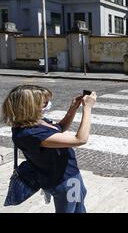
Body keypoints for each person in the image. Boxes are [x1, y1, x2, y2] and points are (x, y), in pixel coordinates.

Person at [2, 85, 97, 213]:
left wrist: (73, 108)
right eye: (44, 103)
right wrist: (88, 108)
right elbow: (80, 139)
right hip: (64, 181)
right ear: (29, 107)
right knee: (71, 209)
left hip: (69, 176)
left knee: (78, 207)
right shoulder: (29, 133)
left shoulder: (36, 121)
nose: (48, 104)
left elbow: (60, 128)